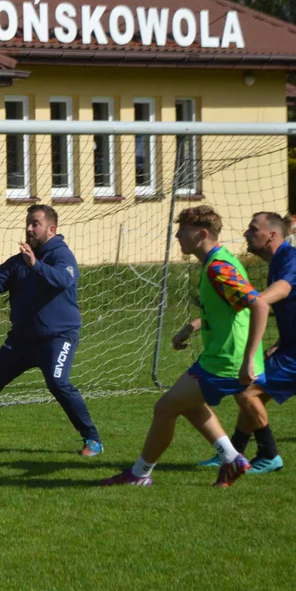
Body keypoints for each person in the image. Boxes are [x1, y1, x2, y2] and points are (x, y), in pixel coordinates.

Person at [102, 205, 268, 488]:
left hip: (228, 360)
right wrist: (191, 327)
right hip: (219, 357)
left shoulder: (219, 267)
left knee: (165, 408)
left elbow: (259, 304)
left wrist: (249, 359)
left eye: (183, 230)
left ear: (201, 234)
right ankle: (231, 458)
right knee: (186, 403)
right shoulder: (218, 260)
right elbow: (228, 307)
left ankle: (139, 474)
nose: (177, 235)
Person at [0, 204, 103, 456]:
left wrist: (35, 265)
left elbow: (63, 278)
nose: (29, 228)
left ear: (51, 229)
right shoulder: (19, 260)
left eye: (35, 224)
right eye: (28, 223)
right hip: (22, 340)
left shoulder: (62, 256)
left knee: (58, 383)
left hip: (58, 337)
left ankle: (92, 439)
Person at [195, 211, 296, 474]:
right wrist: (282, 341)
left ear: (271, 235)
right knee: (254, 393)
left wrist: (255, 303)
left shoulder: (292, 257)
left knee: (247, 391)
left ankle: (268, 454)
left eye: (253, 229)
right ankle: (234, 453)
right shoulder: (281, 261)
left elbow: (279, 293)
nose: (246, 233)